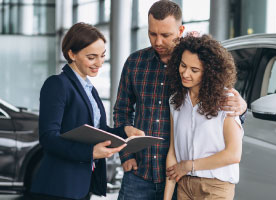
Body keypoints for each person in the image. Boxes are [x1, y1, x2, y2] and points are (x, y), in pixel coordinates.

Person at [113, 1, 247, 199]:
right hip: (140, 172)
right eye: (152, 34)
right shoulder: (135, 63)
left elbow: (218, 110)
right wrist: (126, 154)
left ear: (181, 29)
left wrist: (242, 107)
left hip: (181, 178)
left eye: (165, 35)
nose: (158, 42)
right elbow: (121, 111)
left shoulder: (196, 63)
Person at [30, 22, 141, 200]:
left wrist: (125, 131)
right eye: (91, 57)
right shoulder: (57, 84)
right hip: (58, 187)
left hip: (82, 185)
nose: (99, 63)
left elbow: (98, 131)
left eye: (102, 56)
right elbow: (48, 138)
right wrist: (90, 153)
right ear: (72, 54)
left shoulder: (89, 89)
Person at [163, 34, 243, 199]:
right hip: (184, 187)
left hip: (215, 188)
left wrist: (189, 166)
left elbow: (233, 154)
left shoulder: (226, 101)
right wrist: (167, 197)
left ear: (209, 73)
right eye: (183, 65)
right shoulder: (175, 101)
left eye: (194, 70)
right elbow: (173, 151)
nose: (185, 73)